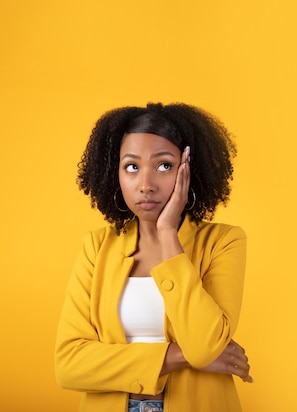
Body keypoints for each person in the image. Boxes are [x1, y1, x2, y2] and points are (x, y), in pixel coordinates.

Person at [55, 102, 252, 412]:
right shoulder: (96, 247)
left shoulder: (223, 242)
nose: (146, 185)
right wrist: (178, 356)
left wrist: (167, 234)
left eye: (164, 166)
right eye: (132, 166)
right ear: (114, 173)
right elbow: (69, 365)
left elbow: (204, 346)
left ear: (189, 169)